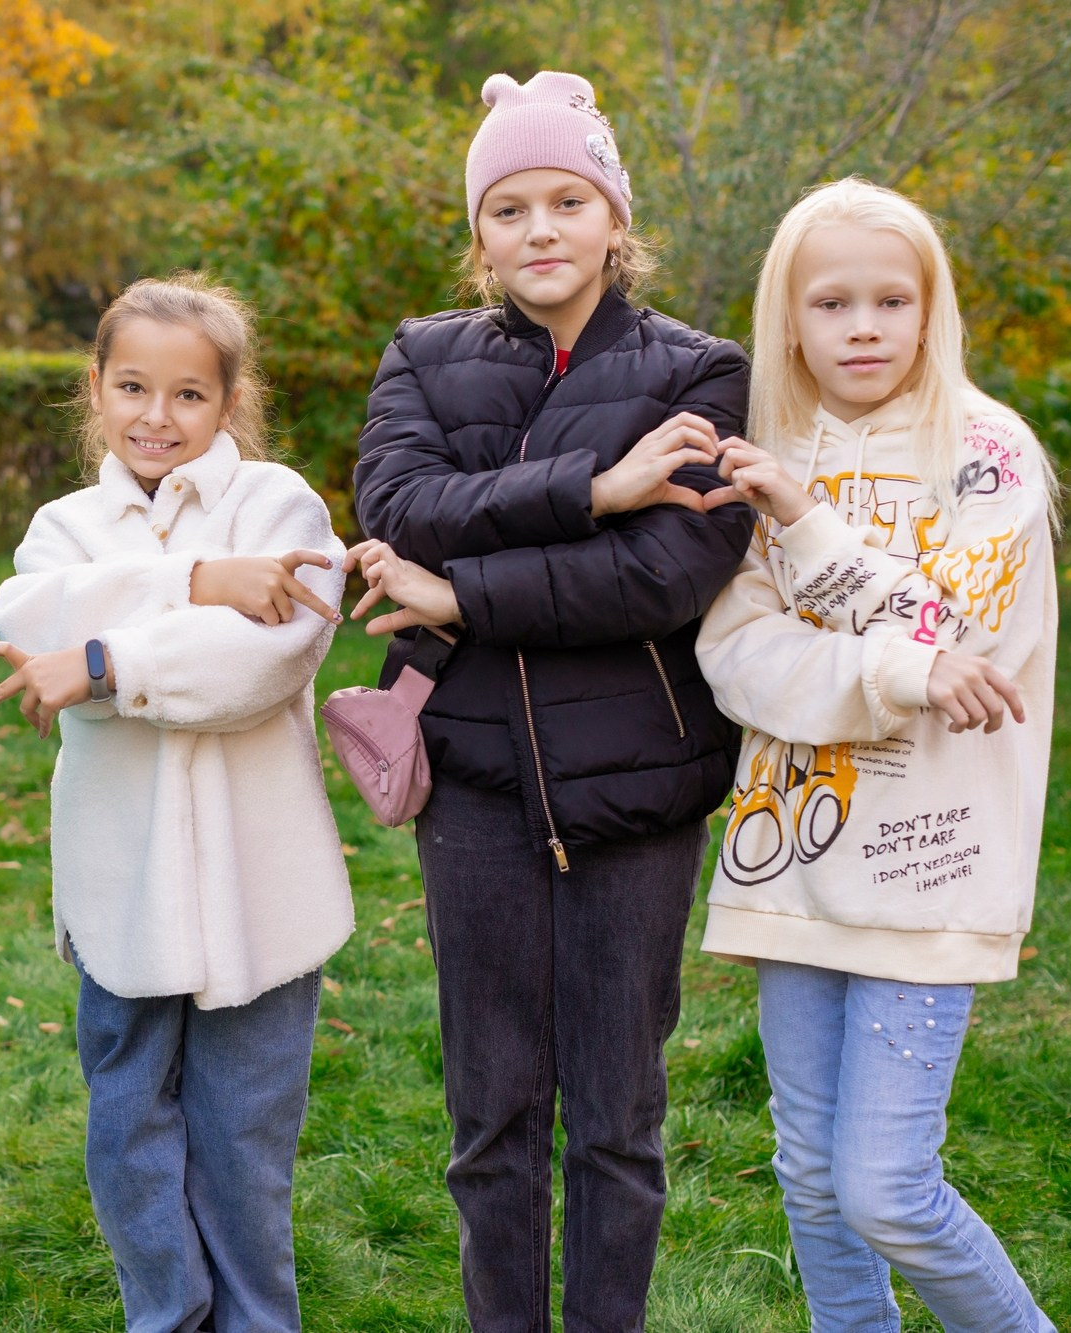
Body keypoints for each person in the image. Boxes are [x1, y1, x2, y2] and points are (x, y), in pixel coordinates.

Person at [347, 70, 753, 1331]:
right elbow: (398, 510)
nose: (538, 229)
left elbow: (664, 575)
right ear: (477, 234)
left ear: (612, 216)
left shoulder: (702, 369)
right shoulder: (422, 355)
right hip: (472, 789)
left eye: (565, 200)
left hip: (635, 796)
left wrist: (460, 598)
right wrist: (594, 488)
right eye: (506, 206)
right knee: (493, 1118)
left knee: (617, 1123)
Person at [694, 176, 1058, 1331]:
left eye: (889, 300)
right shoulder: (769, 453)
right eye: (830, 302)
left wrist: (806, 529)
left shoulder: (986, 454)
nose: (861, 326)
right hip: (791, 853)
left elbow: (962, 649)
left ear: (929, 309)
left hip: (929, 858)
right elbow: (739, 657)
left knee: (887, 1190)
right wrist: (885, 675)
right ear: (786, 318)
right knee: (807, 1174)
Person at [0, 273, 354, 1331]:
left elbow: (255, 668)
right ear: (95, 387)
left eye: (187, 394)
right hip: (116, 886)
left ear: (227, 402)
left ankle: (255, 1322)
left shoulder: (279, 506)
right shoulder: (64, 522)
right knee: (128, 1128)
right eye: (132, 386)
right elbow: (23, 610)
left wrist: (97, 660)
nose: (156, 416)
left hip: (260, 895)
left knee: (243, 1142)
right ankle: (164, 1315)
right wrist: (197, 584)